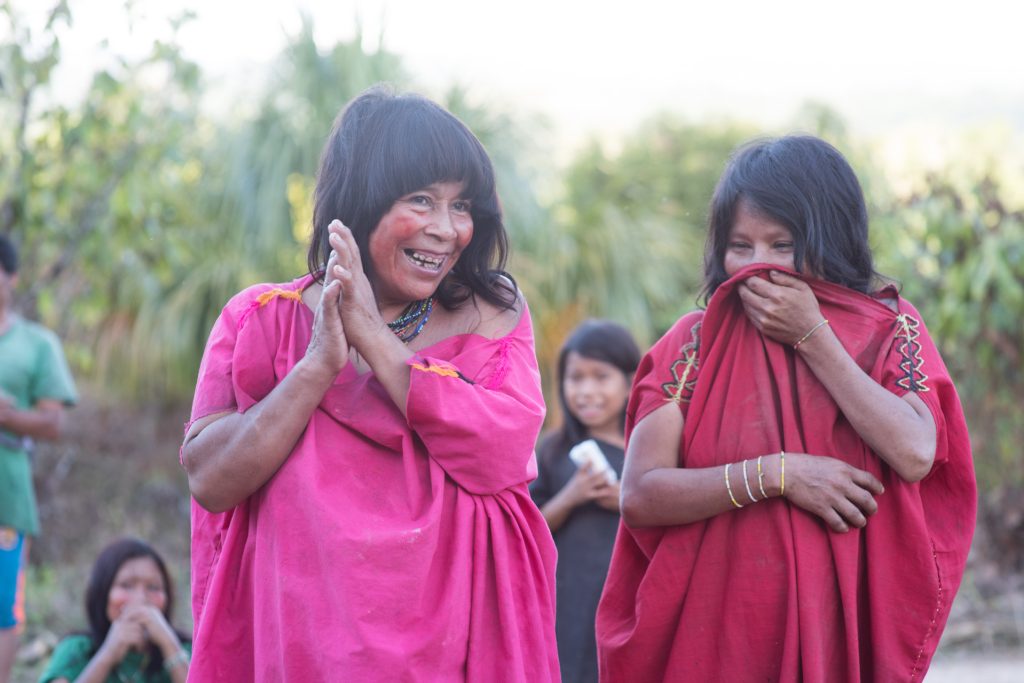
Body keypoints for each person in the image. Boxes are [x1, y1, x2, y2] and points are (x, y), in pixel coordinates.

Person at [180, 86, 558, 681]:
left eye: (462, 206)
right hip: (303, 648)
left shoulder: (492, 310)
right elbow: (210, 481)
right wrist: (315, 369)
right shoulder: (260, 317)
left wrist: (376, 342)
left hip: (451, 653)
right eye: (421, 199)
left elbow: (502, 452)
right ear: (360, 200)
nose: (447, 228)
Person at [595, 135, 976, 682]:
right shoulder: (694, 343)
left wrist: (813, 337)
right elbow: (641, 495)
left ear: (831, 239)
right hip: (715, 637)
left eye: (783, 244)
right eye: (740, 246)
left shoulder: (892, 330)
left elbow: (915, 451)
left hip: (836, 633)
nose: (758, 266)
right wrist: (779, 474)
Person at [530, 319, 639, 683]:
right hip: (565, 599)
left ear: (630, 380)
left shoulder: (648, 452)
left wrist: (629, 500)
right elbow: (527, 529)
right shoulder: (553, 450)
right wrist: (570, 496)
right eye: (576, 378)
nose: (586, 390)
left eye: (600, 376)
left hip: (627, 597)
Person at [0, 234, 78, 683]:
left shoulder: (35, 344)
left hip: (7, 498)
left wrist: (7, 414)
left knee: (3, 605)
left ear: (11, 276)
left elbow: (53, 423)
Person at [38, 538, 191, 683]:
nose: (140, 599)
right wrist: (108, 654)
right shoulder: (78, 649)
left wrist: (170, 647)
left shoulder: (187, 649)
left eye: (153, 587)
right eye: (126, 585)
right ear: (103, 592)